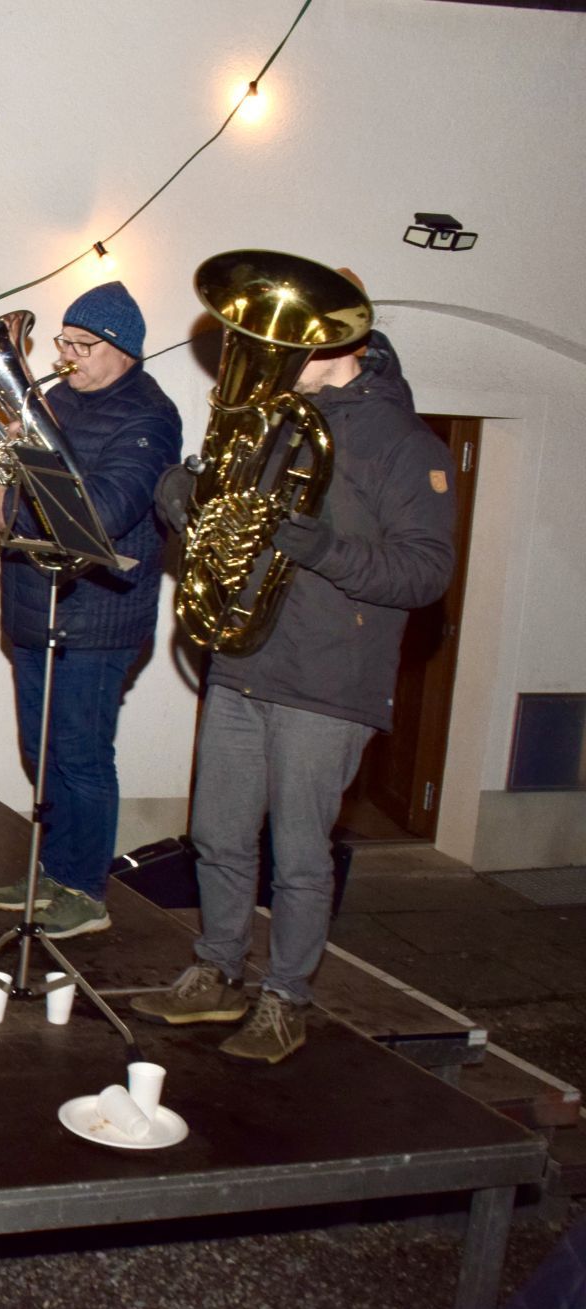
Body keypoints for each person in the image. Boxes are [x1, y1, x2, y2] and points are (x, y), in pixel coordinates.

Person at [130, 319, 455, 1064]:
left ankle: (286, 997)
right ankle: (216, 969)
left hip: (329, 678)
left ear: (347, 349)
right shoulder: (277, 425)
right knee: (216, 834)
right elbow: (233, 521)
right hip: (246, 658)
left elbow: (426, 570)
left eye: (295, 345)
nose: (274, 357)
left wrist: (326, 549)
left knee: (301, 854)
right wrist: (184, 493)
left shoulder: (406, 445)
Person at [0, 281, 179, 938]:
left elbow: (106, 511)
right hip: (37, 603)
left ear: (122, 349)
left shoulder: (149, 417)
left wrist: (21, 474)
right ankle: (53, 869)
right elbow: (17, 512)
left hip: (100, 614)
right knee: (40, 749)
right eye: (62, 341)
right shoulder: (56, 399)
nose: (64, 356)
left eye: (81, 345)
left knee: (81, 752)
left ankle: (85, 889)